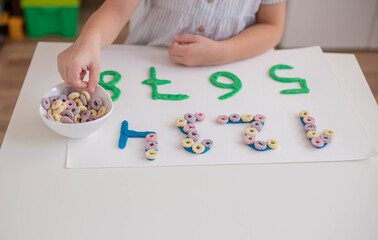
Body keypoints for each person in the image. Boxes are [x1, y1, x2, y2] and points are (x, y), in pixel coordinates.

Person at [58, 0, 286, 92]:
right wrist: (91, 39)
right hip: (145, 70)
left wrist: (222, 52)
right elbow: (116, 10)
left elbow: (272, 26)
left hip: (234, 71)